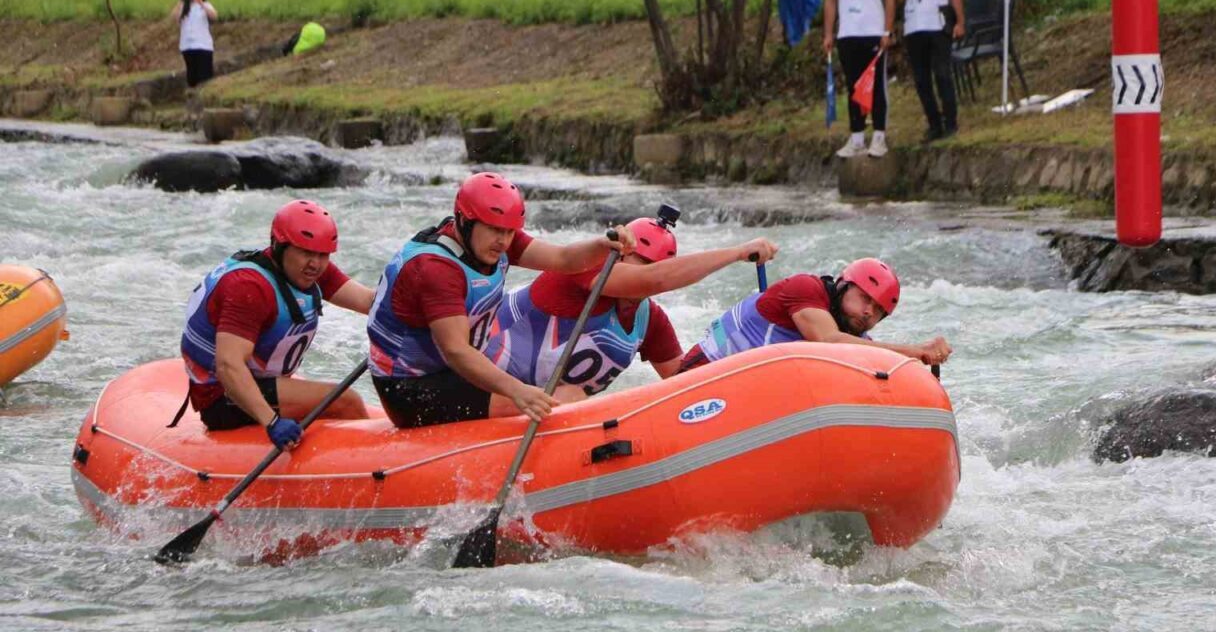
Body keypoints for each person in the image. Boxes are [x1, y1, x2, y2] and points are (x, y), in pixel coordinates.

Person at [367, 172, 634, 429]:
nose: (503, 241)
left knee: (570, 393)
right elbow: (456, 351)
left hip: (452, 373)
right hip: (409, 389)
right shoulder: (436, 269)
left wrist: (601, 246)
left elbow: (563, 260)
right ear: (464, 220)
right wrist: (517, 391)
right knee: (565, 399)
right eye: (495, 230)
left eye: (509, 232)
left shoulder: (491, 239)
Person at [485, 208, 779, 396]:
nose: (645, 272)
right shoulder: (586, 269)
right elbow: (655, 279)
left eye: (655, 264)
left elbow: (683, 383)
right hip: (482, 383)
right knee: (570, 397)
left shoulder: (649, 320)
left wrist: (747, 367)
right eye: (642, 262)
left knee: (570, 397)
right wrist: (737, 252)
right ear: (621, 255)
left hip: (538, 408)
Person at [179, 200, 376, 448]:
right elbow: (228, 366)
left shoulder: (307, 270)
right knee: (347, 401)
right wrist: (271, 422)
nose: (315, 263)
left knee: (338, 400)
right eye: (307, 252)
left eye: (323, 254)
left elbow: (369, 301)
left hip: (260, 383)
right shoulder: (250, 287)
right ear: (279, 246)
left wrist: (413, 302)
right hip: (224, 396)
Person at [677, 258, 951, 372]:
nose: (869, 312)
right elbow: (827, 341)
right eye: (865, 298)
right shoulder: (806, 288)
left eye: (879, 311)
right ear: (843, 285)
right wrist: (914, 351)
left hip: (741, 388)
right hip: (699, 372)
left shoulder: (857, 339)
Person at [823, 0, 897, 159]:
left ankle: (879, 137)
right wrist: (828, 33)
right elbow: (831, 0)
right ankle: (856, 138)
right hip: (847, 34)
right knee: (854, 87)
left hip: (873, 33)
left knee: (876, 87)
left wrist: (887, 30)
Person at [895, 0, 966, 142]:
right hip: (914, 25)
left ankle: (950, 122)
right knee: (921, 79)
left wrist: (960, 22)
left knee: (943, 74)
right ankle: (933, 123)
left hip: (937, 24)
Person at [171, 0, 217, 88]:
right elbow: (174, 17)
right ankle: (193, 98)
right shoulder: (183, 7)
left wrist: (201, 3)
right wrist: (180, 2)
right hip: (188, 46)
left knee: (205, 76)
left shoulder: (205, 5)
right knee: (192, 76)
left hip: (203, 46)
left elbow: (214, 16)